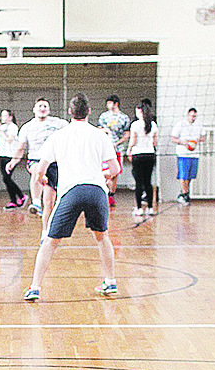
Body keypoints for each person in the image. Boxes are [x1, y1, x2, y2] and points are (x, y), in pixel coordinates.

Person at [25, 94, 122, 301]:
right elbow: (115, 169)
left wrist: (42, 179)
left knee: (50, 241)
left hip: (71, 191)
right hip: (97, 191)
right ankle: (111, 282)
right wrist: (102, 174)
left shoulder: (59, 136)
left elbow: (39, 169)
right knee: (102, 237)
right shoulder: (100, 135)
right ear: (89, 111)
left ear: (70, 112)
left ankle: (34, 287)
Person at [17, 97, 66, 217]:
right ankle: (36, 203)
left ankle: (46, 232)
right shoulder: (27, 127)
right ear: (34, 110)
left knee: (49, 203)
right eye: (40, 106)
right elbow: (20, 147)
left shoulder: (58, 123)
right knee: (37, 170)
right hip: (35, 159)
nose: (42, 108)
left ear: (49, 110)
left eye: (45, 106)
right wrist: (13, 161)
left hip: (53, 162)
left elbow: (75, 129)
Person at [98, 94, 131, 207]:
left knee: (115, 173)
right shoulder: (104, 116)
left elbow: (127, 134)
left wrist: (117, 143)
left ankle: (111, 195)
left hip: (118, 150)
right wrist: (104, 131)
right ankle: (104, 194)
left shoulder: (124, 118)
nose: (107, 105)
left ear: (115, 104)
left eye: (109, 103)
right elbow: (99, 129)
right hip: (104, 150)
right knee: (104, 172)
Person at [128, 98, 158, 218]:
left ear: (139, 111)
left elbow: (133, 140)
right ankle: (150, 208)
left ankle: (139, 208)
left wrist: (129, 150)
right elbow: (155, 142)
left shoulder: (135, 124)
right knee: (148, 182)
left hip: (138, 155)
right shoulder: (153, 124)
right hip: (150, 154)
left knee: (138, 182)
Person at [0, 107, 26, 209]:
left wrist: (1, 131)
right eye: (1, 115)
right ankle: (13, 201)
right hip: (2, 155)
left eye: (4, 115)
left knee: (6, 178)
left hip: (11, 157)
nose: (2, 117)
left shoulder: (13, 127)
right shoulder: (2, 127)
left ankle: (21, 196)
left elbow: (10, 140)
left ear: (10, 117)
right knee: (6, 179)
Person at [171, 106, 204, 203]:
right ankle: (185, 194)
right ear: (187, 115)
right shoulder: (180, 125)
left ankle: (184, 193)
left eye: (195, 116)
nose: (193, 118)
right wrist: (184, 142)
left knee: (190, 176)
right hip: (183, 154)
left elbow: (203, 137)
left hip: (194, 154)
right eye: (191, 116)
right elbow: (173, 139)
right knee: (183, 175)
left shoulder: (199, 125)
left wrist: (196, 141)